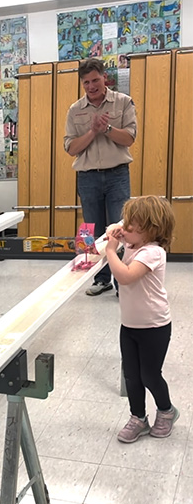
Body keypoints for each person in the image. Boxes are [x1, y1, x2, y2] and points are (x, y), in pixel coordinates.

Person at [106, 196, 178, 443]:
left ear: (152, 230)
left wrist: (109, 250)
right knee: (131, 376)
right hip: (129, 325)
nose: (125, 228)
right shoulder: (134, 245)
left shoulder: (153, 252)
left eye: (132, 225)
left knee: (150, 374)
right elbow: (113, 235)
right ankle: (138, 417)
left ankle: (167, 411)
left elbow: (125, 276)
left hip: (154, 327)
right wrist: (117, 236)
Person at [64, 58, 137, 297]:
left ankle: (121, 283)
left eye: (95, 80)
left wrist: (106, 129)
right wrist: (93, 131)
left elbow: (129, 139)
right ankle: (100, 278)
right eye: (86, 83)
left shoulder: (123, 102)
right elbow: (71, 148)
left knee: (120, 230)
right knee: (91, 230)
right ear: (82, 83)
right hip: (87, 177)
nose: (91, 86)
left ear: (104, 77)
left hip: (117, 175)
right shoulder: (75, 110)